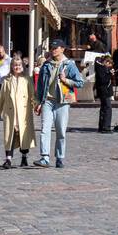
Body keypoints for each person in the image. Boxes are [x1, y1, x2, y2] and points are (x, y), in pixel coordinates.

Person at [34, 39, 84, 168]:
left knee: (61, 131)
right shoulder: (46, 65)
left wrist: (66, 80)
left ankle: (59, 157)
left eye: (56, 48)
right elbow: (40, 85)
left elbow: (80, 82)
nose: (53, 50)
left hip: (62, 102)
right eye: (52, 47)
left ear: (62, 49)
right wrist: (38, 101)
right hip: (48, 101)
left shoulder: (69, 65)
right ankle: (44, 157)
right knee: (45, 129)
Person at [0, 54, 37, 167]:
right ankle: (8, 159)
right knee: (10, 135)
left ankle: (24, 157)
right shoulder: (7, 81)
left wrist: (36, 106)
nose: (17, 67)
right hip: (10, 113)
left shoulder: (27, 79)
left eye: (19, 65)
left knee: (24, 135)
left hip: (23, 113)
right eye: (14, 65)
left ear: (22, 66)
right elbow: (1, 99)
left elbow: (32, 95)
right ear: (11, 66)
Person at [93, 54, 114, 133]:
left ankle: (102, 126)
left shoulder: (102, 68)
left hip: (104, 91)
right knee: (108, 108)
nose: (109, 66)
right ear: (106, 62)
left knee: (104, 108)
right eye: (109, 64)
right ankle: (106, 127)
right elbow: (103, 80)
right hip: (104, 91)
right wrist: (109, 74)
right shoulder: (100, 68)